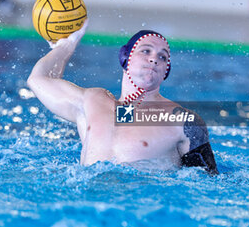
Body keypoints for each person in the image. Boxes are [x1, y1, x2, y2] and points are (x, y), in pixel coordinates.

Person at [27, 20, 218, 175]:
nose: (154, 59)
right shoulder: (91, 101)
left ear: (166, 71)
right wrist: (65, 46)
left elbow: (209, 184)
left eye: (163, 57)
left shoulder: (183, 121)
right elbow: (38, 80)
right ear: (125, 57)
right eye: (146, 51)